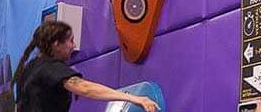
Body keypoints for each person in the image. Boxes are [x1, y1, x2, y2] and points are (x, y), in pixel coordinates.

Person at [12, 21, 159, 112]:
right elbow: (86, 89)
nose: (73, 46)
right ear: (56, 44)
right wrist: (135, 99)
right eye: (70, 41)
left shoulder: (28, 69)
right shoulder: (50, 68)